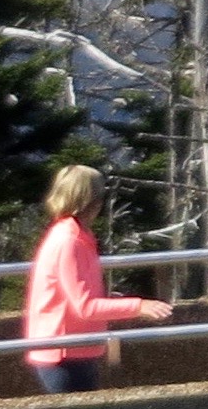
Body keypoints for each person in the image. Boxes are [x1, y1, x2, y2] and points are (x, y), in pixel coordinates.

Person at [23, 163, 175, 393]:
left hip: (74, 349)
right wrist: (139, 306)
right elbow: (84, 306)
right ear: (91, 201)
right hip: (63, 354)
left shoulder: (76, 236)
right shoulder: (69, 242)